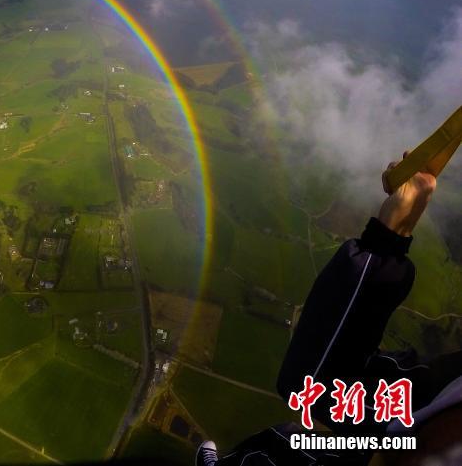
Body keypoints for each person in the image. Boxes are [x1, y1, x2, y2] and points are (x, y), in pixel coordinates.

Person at [195, 154, 462, 466]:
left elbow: (317, 376)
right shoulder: (440, 392)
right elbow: (325, 381)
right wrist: (390, 236)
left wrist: (387, 240)